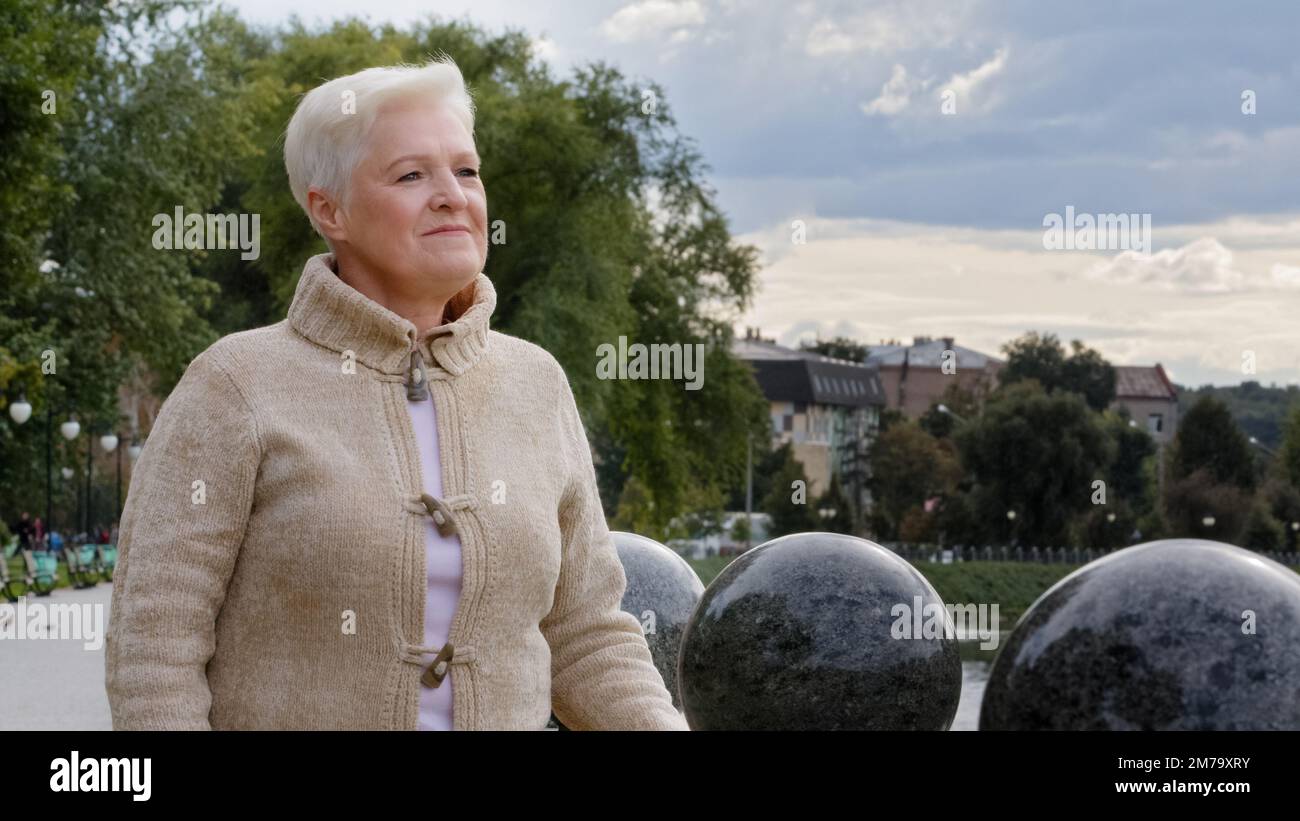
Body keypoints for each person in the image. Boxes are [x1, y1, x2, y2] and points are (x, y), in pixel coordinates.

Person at [104, 57, 686, 731]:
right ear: (330, 209)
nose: (452, 195)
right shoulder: (234, 385)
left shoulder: (537, 384)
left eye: (465, 171)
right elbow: (155, 650)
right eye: (411, 174)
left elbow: (585, 634)